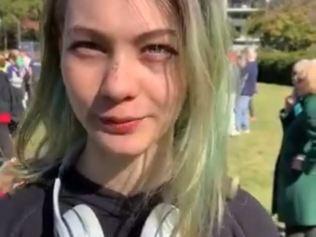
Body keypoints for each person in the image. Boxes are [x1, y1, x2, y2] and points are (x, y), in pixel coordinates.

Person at [0, 0, 278, 237]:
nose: (117, 87)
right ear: (58, 52)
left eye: (157, 48)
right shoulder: (12, 221)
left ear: (200, 60)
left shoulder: (246, 227)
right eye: (89, 46)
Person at [275, 61, 316, 237]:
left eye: (300, 79)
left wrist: (307, 161)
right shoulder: (305, 102)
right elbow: (295, 133)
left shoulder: (312, 104)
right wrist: (289, 112)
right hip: (297, 184)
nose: (295, 81)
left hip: (303, 185)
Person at [235, 47, 258, 134]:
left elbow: (242, 74)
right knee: (245, 109)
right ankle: (245, 127)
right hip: (250, 90)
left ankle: (237, 127)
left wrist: (238, 61)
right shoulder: (254, 65)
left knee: (239, 108)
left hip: (244, 90)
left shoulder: (248, 66)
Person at [0, 54, 15, 162]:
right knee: (4, 132)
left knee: (3, 134)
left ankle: (11, 159)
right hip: (5, 109)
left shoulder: (2, 76)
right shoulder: (3, 75)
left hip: (2, 110)